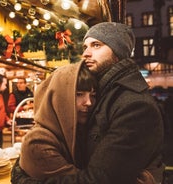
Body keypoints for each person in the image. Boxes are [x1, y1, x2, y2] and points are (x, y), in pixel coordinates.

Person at [11, 22, 165, 184]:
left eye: (96, 45)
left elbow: (96, 180)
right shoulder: (106, 91)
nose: (86, 53)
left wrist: (23, 180)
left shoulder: (133, 104)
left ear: (118, 52)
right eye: (85, 46)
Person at [11, 61, 97, 181]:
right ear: (59, 99)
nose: (88, 102)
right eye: (79, 94)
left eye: (93, 95)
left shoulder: (79, 130)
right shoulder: (38, 141)